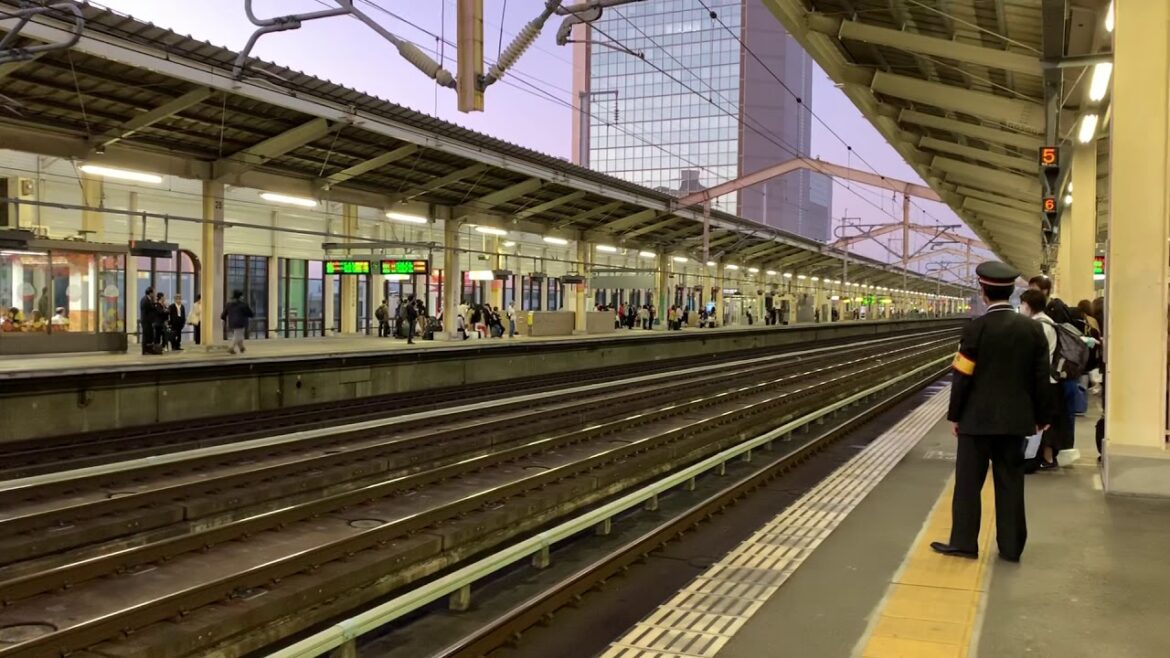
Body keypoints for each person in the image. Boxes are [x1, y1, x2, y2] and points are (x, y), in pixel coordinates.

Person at [931, 261, 1051, 563]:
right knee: (1011, 482)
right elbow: (1040, 377)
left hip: (976, 420)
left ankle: (964, 542)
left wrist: (955, 415)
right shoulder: (1032, 329)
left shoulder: (975, 329)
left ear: (983, 292)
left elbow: (962, 376)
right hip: (1015, 421)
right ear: (1012, 292)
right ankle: (1011, 547)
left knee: (968, 483)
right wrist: (1042, 417)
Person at [1019, 289, 1065, 472]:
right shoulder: (1045, 322)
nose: (1020, 308)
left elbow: (1034, 357)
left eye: (1022, 304)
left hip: (1044, 381)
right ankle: (1043, 458)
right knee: (1043, 423)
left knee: (1041, 424)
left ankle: (1038, 459)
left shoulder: (1040, 326)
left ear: (1028, 306)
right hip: (1047, 380)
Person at [221, 290, 254, 355]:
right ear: (240, 297)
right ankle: (231, 348)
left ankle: (241, 348)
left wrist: (224, 319)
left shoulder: (228, 304)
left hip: (232, 323)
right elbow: (250, 313)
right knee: (238, 336)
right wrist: (251, 314)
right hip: (241, 322)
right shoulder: (243, 305)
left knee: (239, 335)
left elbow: (223, 315)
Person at [140, 287, 156, 353]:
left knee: (149, 335)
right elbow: (148, 310)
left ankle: (148, 349)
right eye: (153, 292)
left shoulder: (147, 299)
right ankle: (145, 350)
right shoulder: (145, 300)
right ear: (150, 293)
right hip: (146, 321)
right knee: (146, 336)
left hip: (147, 321)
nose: (154, 294)